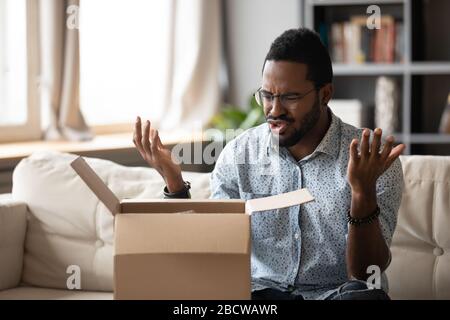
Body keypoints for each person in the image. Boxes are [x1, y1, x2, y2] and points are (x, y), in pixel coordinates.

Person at [132, 28, 405, 300]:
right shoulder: (240, 154)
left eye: (290, 97)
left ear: (325, 94)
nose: (274, 110)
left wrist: (362, 192)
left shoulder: (373, 160)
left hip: (335, 295)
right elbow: (212, 250)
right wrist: (175, 183)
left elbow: (366, 272)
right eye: (267, 95)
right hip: (260, 296)